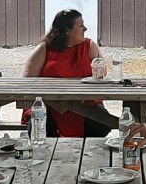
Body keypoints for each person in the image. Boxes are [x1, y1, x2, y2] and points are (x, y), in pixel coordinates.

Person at [22, 8, 112, 138]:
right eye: (80, 26)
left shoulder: (89, 46)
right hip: (49, 105)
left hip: (84, 103)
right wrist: (52, 102)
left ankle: (84, 155)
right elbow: (27, 83)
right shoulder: (44, 49)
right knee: (41, 128)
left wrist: (82, 97)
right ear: (66, 30)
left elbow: (101, 76)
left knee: (103, 125)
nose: (85, 29)